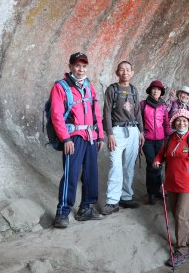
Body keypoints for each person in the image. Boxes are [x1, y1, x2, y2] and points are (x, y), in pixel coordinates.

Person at [51, 52, 105, 228]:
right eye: (77, 66)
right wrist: (65, 139)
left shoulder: (89, 86)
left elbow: (96, 112)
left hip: (91, 136)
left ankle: (86, 208)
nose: (81, 69)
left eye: (84, 66)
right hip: (73, 137)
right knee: (71, 174)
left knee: (91, 174)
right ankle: (63, 212)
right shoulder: (61, 87)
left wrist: (100, 135)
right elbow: (57, 115)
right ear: (70, 66)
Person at [153, 109, 189, 267]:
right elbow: (161, 154)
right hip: (171, 184)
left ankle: (182, 249)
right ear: (174, 122)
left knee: (180, 215)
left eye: (185, 121)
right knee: (178, 215)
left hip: (188, 185)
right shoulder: (170, 138)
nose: (181, 123)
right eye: (178, 120)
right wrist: (158, 161)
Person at [102, 61, 145, 215]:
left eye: (128, 70)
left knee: (128, 166)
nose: (125, 72)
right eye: (122, 70)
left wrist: (141, 131)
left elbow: (138, 112)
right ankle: (112, 201)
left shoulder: (133, 90)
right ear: (117, 72)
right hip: (118, 130)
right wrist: (110, 134)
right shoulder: (112, 89)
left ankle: (125, 197)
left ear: (132, 73)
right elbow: (106, 112)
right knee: (115, 165)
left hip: (133, 130)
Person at [140, 80, 171, 204]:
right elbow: (138, 120)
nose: (156, 91)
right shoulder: (143, 104)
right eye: (154, 89)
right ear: (150, 90)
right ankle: (151, 193)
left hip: (160, 140)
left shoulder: (163, 106)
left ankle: (157, 190)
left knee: (159, 165)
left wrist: (168, 137)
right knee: (152, 164)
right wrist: (140, 134)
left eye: (158, 89)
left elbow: (166, 123)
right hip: (147, 139)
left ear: (161, 92)